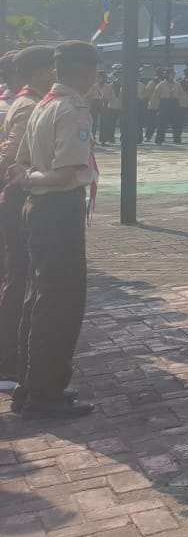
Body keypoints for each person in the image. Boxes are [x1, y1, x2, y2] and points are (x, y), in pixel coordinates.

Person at [9, 42, 101, 420]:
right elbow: (67, 174)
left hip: (38, 209)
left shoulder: (42, 105)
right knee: (61, 301)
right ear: (86, 72)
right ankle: (46, 391)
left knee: (39, 296)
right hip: (59, 208)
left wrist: (29, 178)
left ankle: (30, 383)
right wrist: (34, 179)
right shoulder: (72, 108)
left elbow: (21, 161)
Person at [0, 46, 55, 397]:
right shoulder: (30, 106)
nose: (55, 74)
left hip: (17, 194)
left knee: (18, 276)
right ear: (36, 72)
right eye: (51, 68)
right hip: (20, 196)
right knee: (19, 279)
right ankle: (8, 360)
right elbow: (10, 155)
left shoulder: (26, 103)